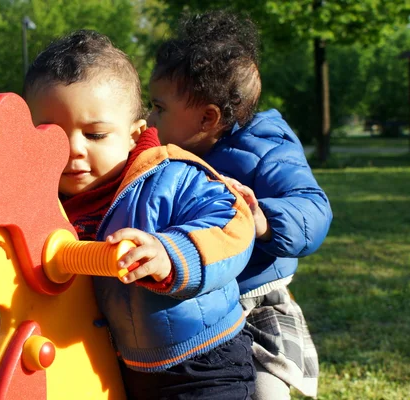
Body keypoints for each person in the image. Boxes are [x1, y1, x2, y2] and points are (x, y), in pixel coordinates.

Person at [0, 29, 259, 399]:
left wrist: (169, 253)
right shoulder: (44, 199)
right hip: (115, 363)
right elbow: (14, 249)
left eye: (94, 135)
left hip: (202, 361)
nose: (73, 151)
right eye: (54, 137)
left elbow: (234, 225)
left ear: (135, 135)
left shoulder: (171, 175)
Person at [147, 10, 332, 400]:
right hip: (199, 303)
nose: (149, 117)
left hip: (255, 301)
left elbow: (313, 209)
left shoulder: (267, 148)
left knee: (264, 390)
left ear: (208, 116)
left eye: (159, 108)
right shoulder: (170, 152)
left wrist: (264, 220)